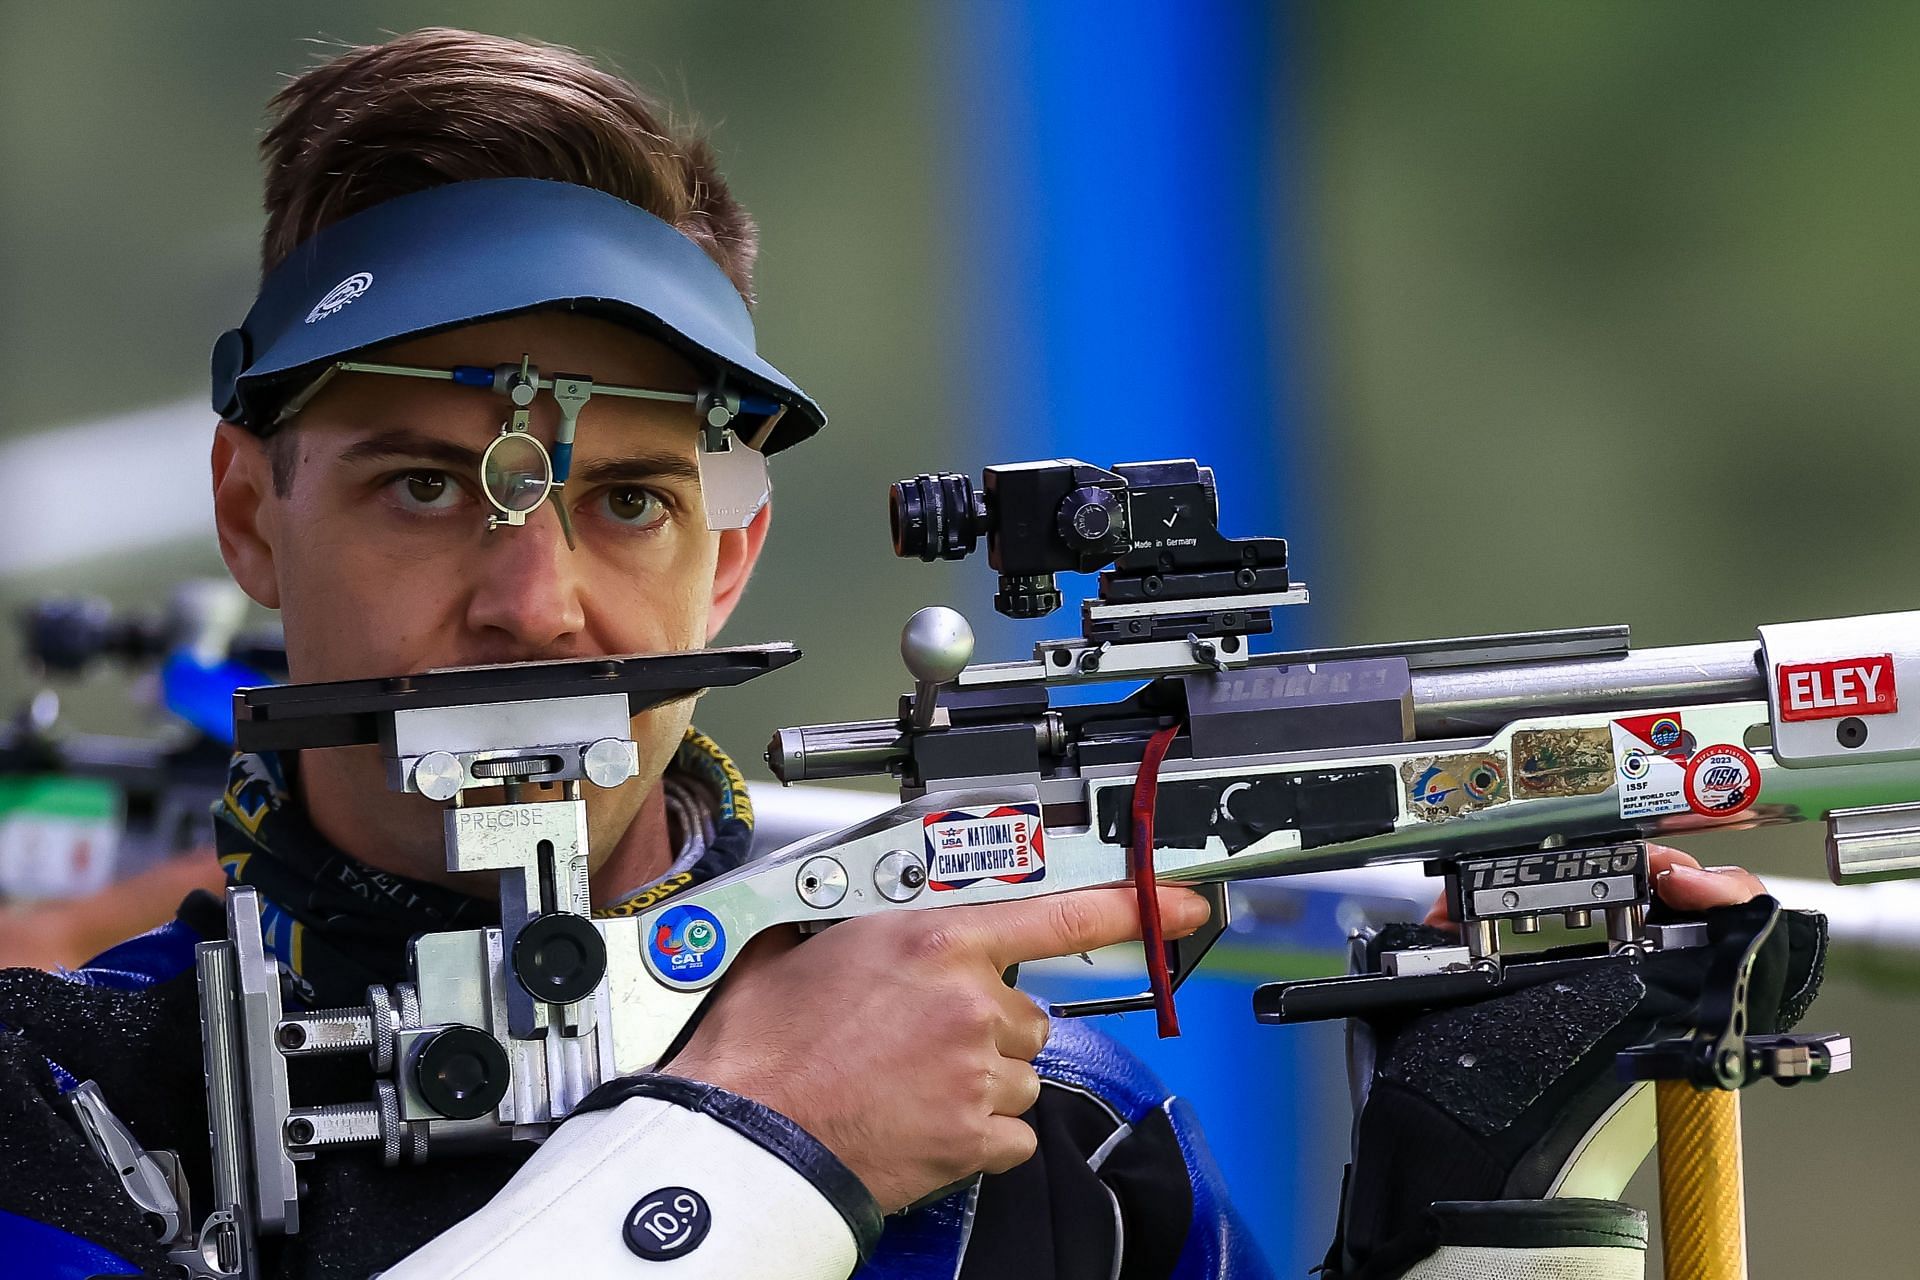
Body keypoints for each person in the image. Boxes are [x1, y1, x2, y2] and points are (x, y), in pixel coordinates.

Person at [0, 28, 1812, 1280]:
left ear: (733, 557)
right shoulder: (60, 1100)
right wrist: (765, 1147)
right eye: (423, 485)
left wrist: (1492, 1209)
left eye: (629, 501)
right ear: (250, 517)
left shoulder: (1054, 1136)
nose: (538, 606)